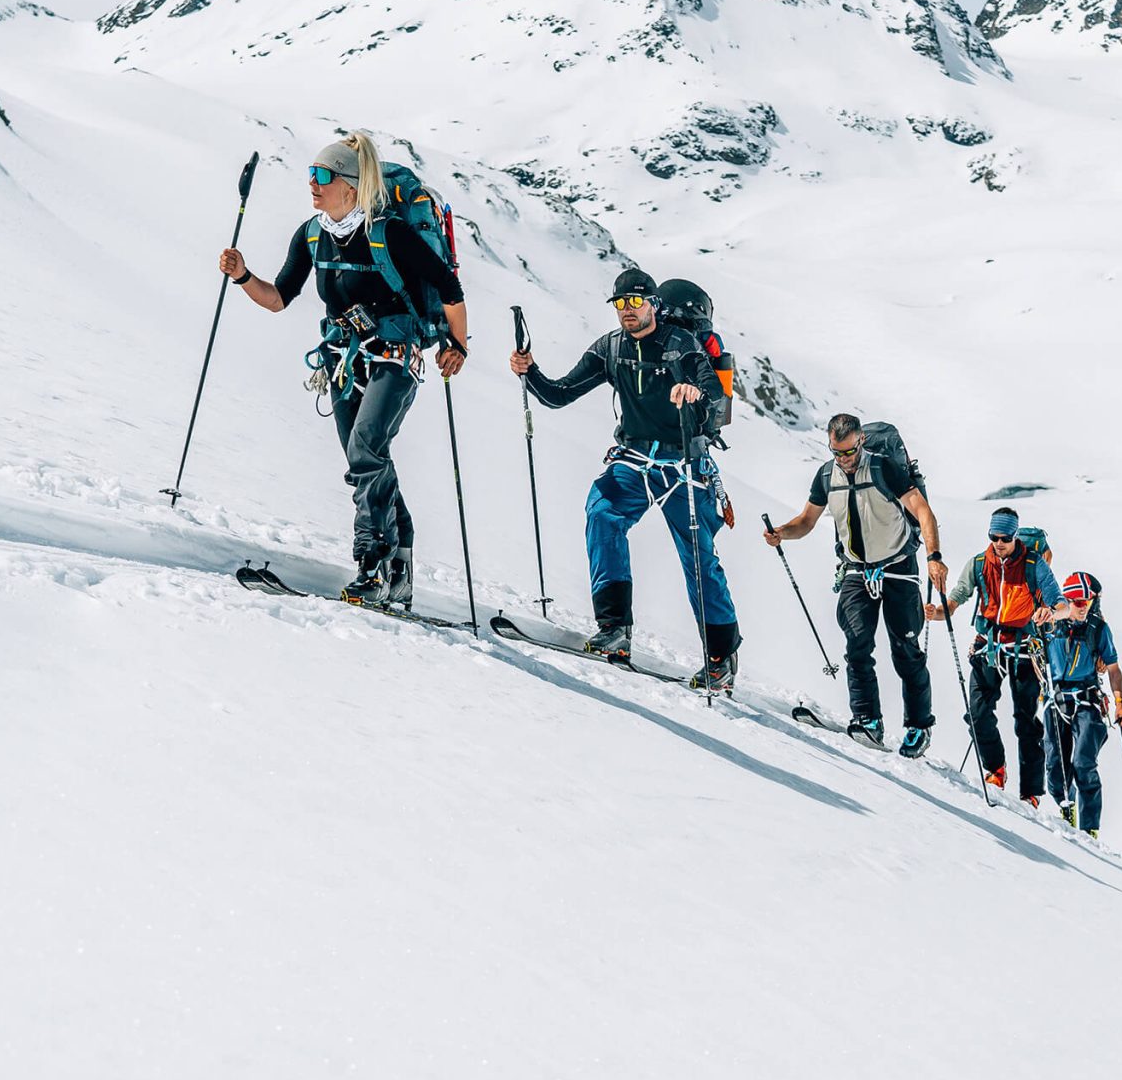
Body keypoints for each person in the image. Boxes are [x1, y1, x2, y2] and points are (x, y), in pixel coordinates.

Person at [219, 132, 467, 605]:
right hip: (342, 360)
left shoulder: (389, 232)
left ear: (350, 186)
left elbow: (448, 287)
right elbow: (278, 299)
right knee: (367, 461)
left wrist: (457, 345)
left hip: (395, 356)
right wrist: (243, 276)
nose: (312, 184)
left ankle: (372, 565)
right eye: (311, 174)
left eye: (323, 176)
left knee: (365, 450)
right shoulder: (311, 234)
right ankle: (401, 567)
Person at [508, 268, 741, 689]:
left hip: (685, 464)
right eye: (620, 304)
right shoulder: (610, 349)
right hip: (635, 459)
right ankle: (615, 629)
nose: (627, 311)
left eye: (635, 302)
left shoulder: (680, 345)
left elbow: (715, 393)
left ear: (654, 304)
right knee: (602, 513)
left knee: (698, 556)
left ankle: (722, 656)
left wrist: (695, 393)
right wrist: (531, 371)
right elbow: (560, 395)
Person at [763, 414, 945, 757]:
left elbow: (923, 511)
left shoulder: (884, 468)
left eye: (848, 452)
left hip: (898, 567)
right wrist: (781, 533)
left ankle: (919, 726)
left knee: (906, 649)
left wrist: (934, 556)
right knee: (857, 643)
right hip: (855, 570)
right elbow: (806, 521)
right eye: (837, 453)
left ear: (861, 441)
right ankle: (867, 719)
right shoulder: (826, 476)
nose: (843, 460)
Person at [927, 508, 1081, 799]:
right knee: (978, 712)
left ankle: (1031, 792)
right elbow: (957, 597)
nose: (999, 543)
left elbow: (1060, 603)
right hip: (990, 645)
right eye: (994, 537)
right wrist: (937, 613)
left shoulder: (1034, 565)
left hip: (1026, 648)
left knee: (1025, 720)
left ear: (1014, 536)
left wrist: (1051, 612)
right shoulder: (979, 563)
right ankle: (995, 768)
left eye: (1005, 538)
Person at [1042, 571, 1122, 832]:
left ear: (1093, 602)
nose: (1079, 607)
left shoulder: (1098, 629)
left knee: (1083, 762)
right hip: (1055, 700)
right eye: (1073, 601)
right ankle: (1065, 806)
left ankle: (1090, 827)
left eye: (1084, 602)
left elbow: (1113, 668)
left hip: (1086, 702)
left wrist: (1120, 702)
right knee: (1055, 766)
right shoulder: (1052, 623)